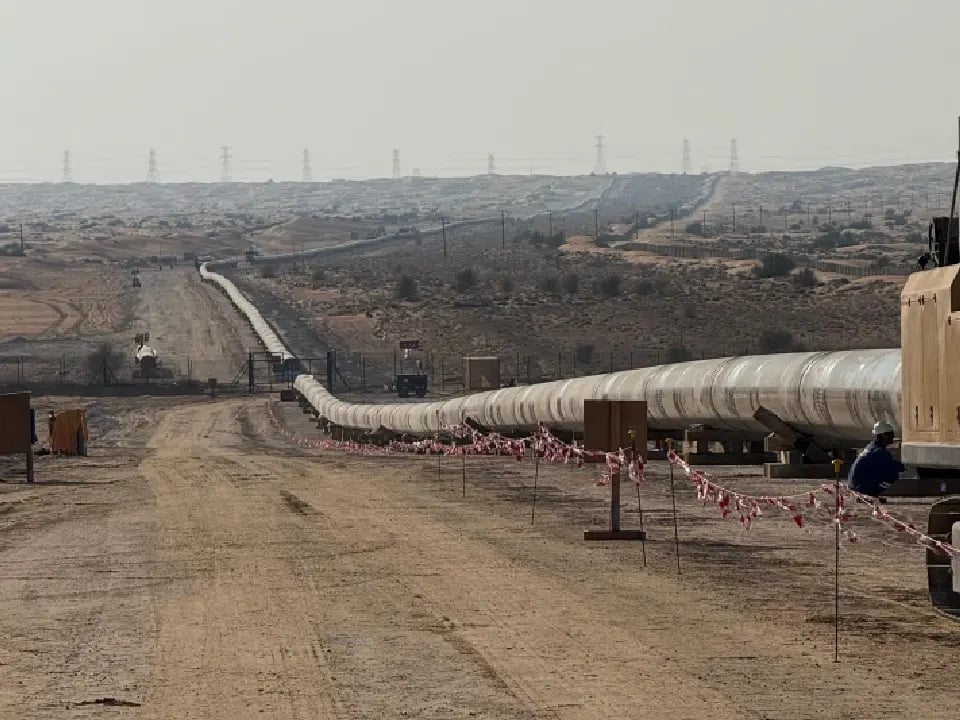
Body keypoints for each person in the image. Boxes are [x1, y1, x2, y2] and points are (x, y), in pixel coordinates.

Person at [846, 421, 905, 500]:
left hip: (854, 484)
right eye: (891, 435)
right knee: (893, 474)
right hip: (859, 486)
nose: (893, 437)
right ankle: (869, 493)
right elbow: (895, 466)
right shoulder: (880, 452)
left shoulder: (871, 446)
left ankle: (866, 492)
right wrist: (907, 465)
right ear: (884, 436)